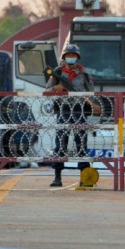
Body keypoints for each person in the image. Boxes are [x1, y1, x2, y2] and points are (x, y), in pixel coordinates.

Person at [46, 43, 101, 187]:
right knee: (60, 145)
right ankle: (57, 177)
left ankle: (85, 177)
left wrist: (94, 105)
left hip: (79, 110)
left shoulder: (85, 75)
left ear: (77, 58)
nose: (71, 58)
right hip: (63, 110)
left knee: (81, 144)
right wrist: (55, 88)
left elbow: (91, 93)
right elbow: (46, 92)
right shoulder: (57, 73)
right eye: (68, 55)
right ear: (64, 57)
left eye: (73, 56)